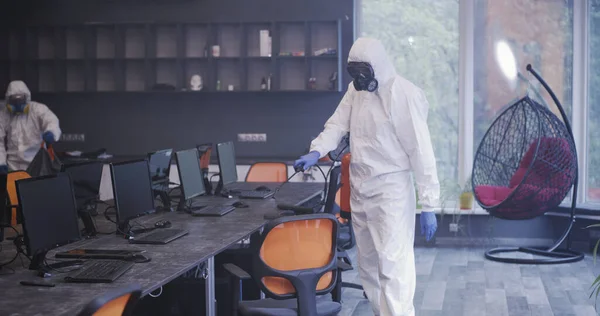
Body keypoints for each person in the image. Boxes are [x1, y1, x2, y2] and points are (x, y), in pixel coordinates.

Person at [294, 38, 440, 316]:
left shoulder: (404, 95)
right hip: (361, 188)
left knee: (393, 266)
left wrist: (429, 205)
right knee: (369, 266)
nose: (360, 79)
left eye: (364, 72)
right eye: (355, 73)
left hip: (391, 192)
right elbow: (337, 124)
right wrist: (317, 150)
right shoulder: (355, 91)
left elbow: (422, 153)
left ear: (379, 66)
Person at [0, 80, 61, 173]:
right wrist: (1, 162)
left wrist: (51, 132)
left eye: (20, 101)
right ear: (8, 100)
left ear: (27, 98)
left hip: (37, 165)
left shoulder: (37, 109)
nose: (17, 105)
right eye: (14, 101)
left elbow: (51, 120)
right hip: (13, 166)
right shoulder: (4, 114)